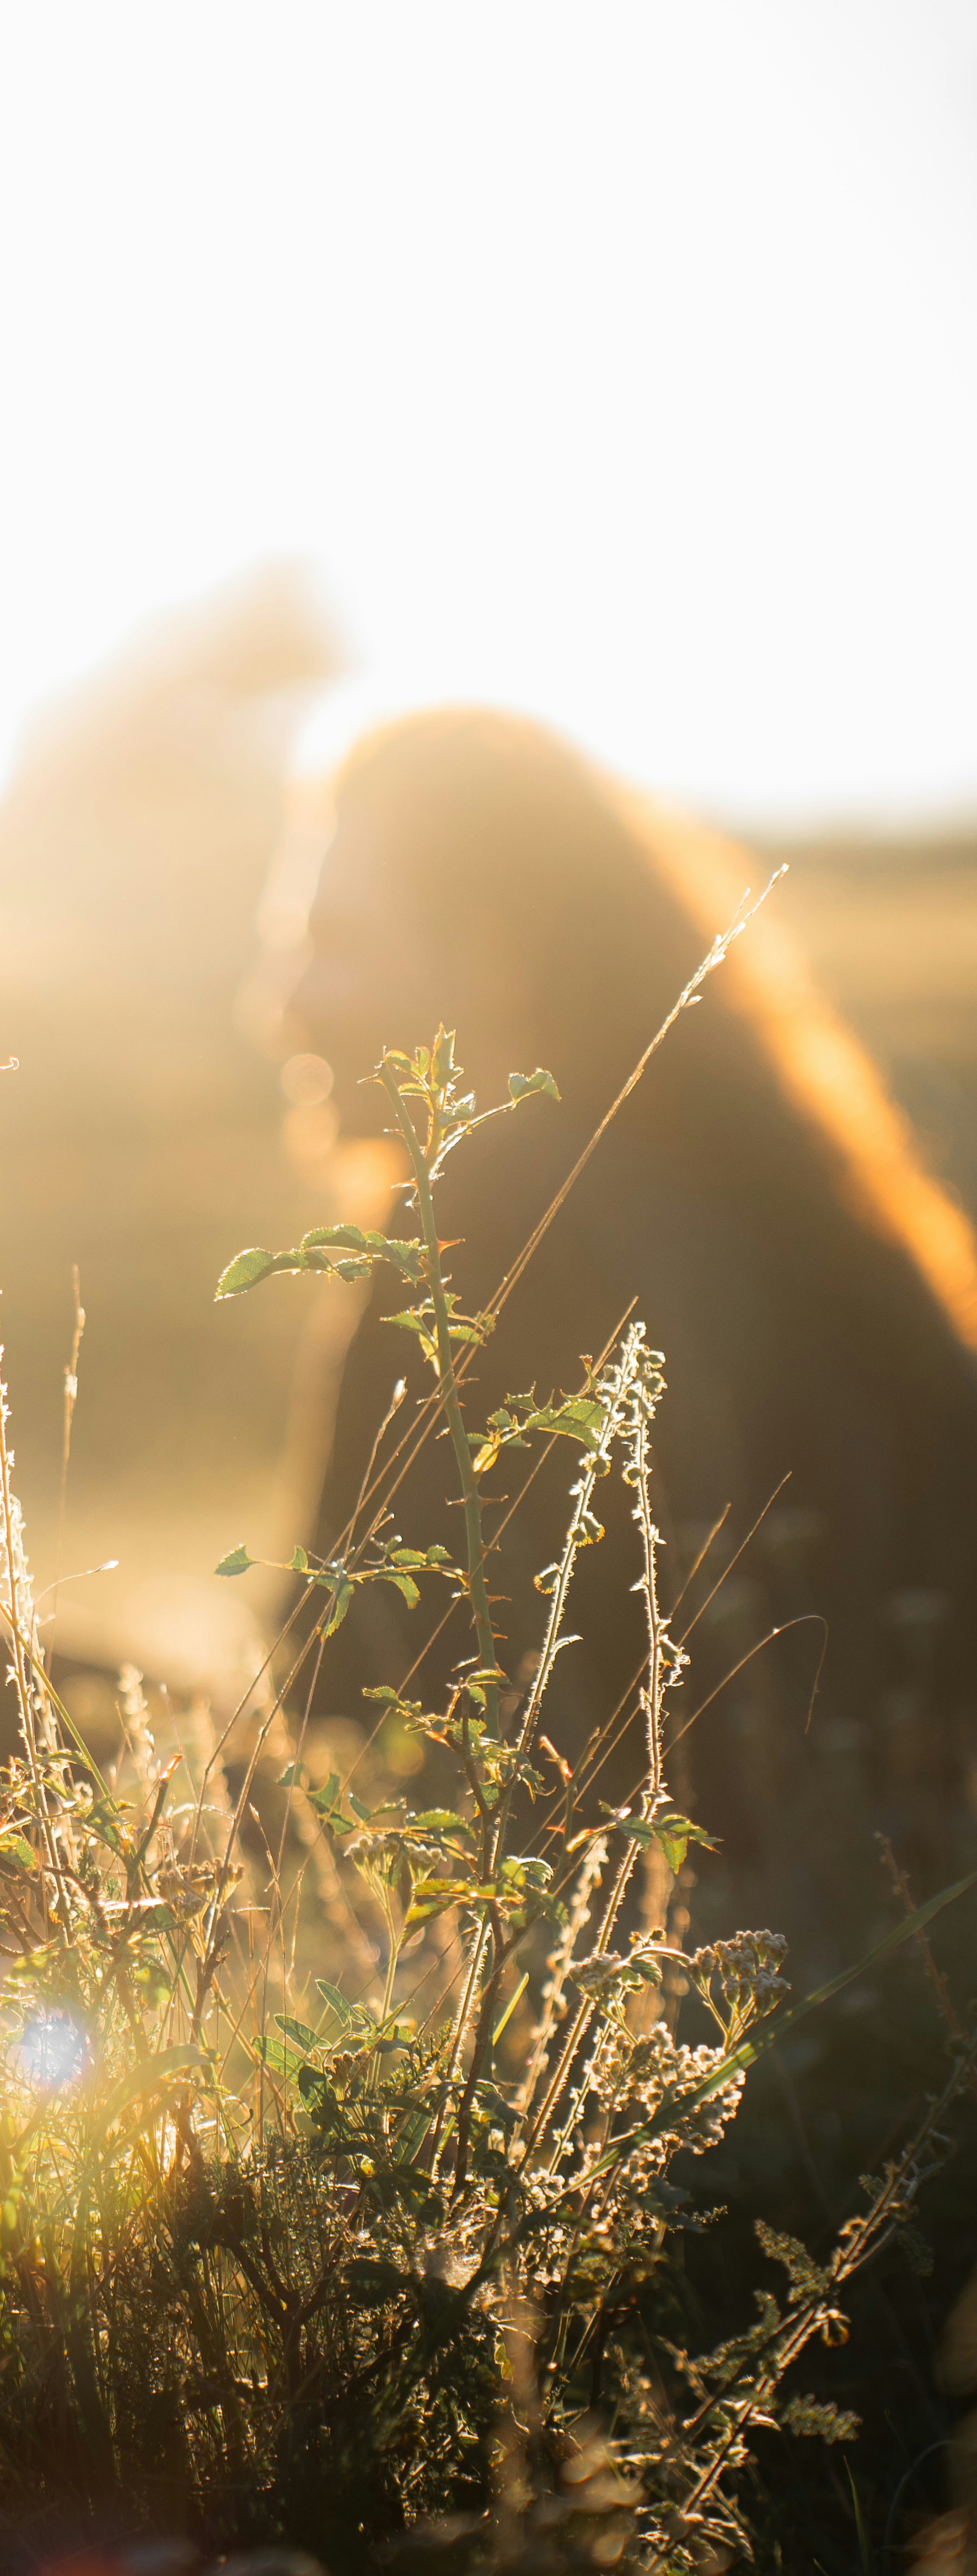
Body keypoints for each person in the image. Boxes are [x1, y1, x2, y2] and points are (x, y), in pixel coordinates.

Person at [273, 708, 977, 1973]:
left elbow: (343, 1728)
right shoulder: (795, 1218)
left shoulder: (482, 1225)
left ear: (493, 952)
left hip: (662, 1997)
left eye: (332, 945)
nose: (277, 1006)